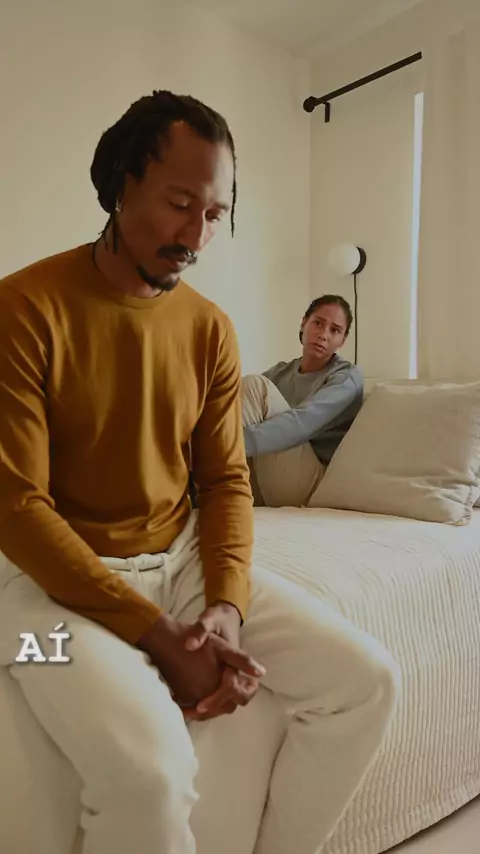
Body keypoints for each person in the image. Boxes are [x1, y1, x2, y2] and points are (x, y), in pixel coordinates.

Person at [0, 91, 399, 854]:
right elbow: (16, 509)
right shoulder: (22, 308)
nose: (196, 235)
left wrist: (225, 607)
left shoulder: (210, 329)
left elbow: (223, 484)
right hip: (41, 600)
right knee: (149, 777)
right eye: (180, 205)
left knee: (366, 684)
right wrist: (155, 637)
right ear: (120, 186)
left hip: (179, 562)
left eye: (215, 214)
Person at [242, 295, 364, 507]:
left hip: (309, 485)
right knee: (233, 391)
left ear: (342, 340)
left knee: (254, 385)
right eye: (318, 323)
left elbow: (302, 423)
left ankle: (205, 458)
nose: (323, 335)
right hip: (268, 479)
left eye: (335, 330)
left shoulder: (347, 377)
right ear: (304, 323)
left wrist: (228, 443)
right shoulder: (281, 372)